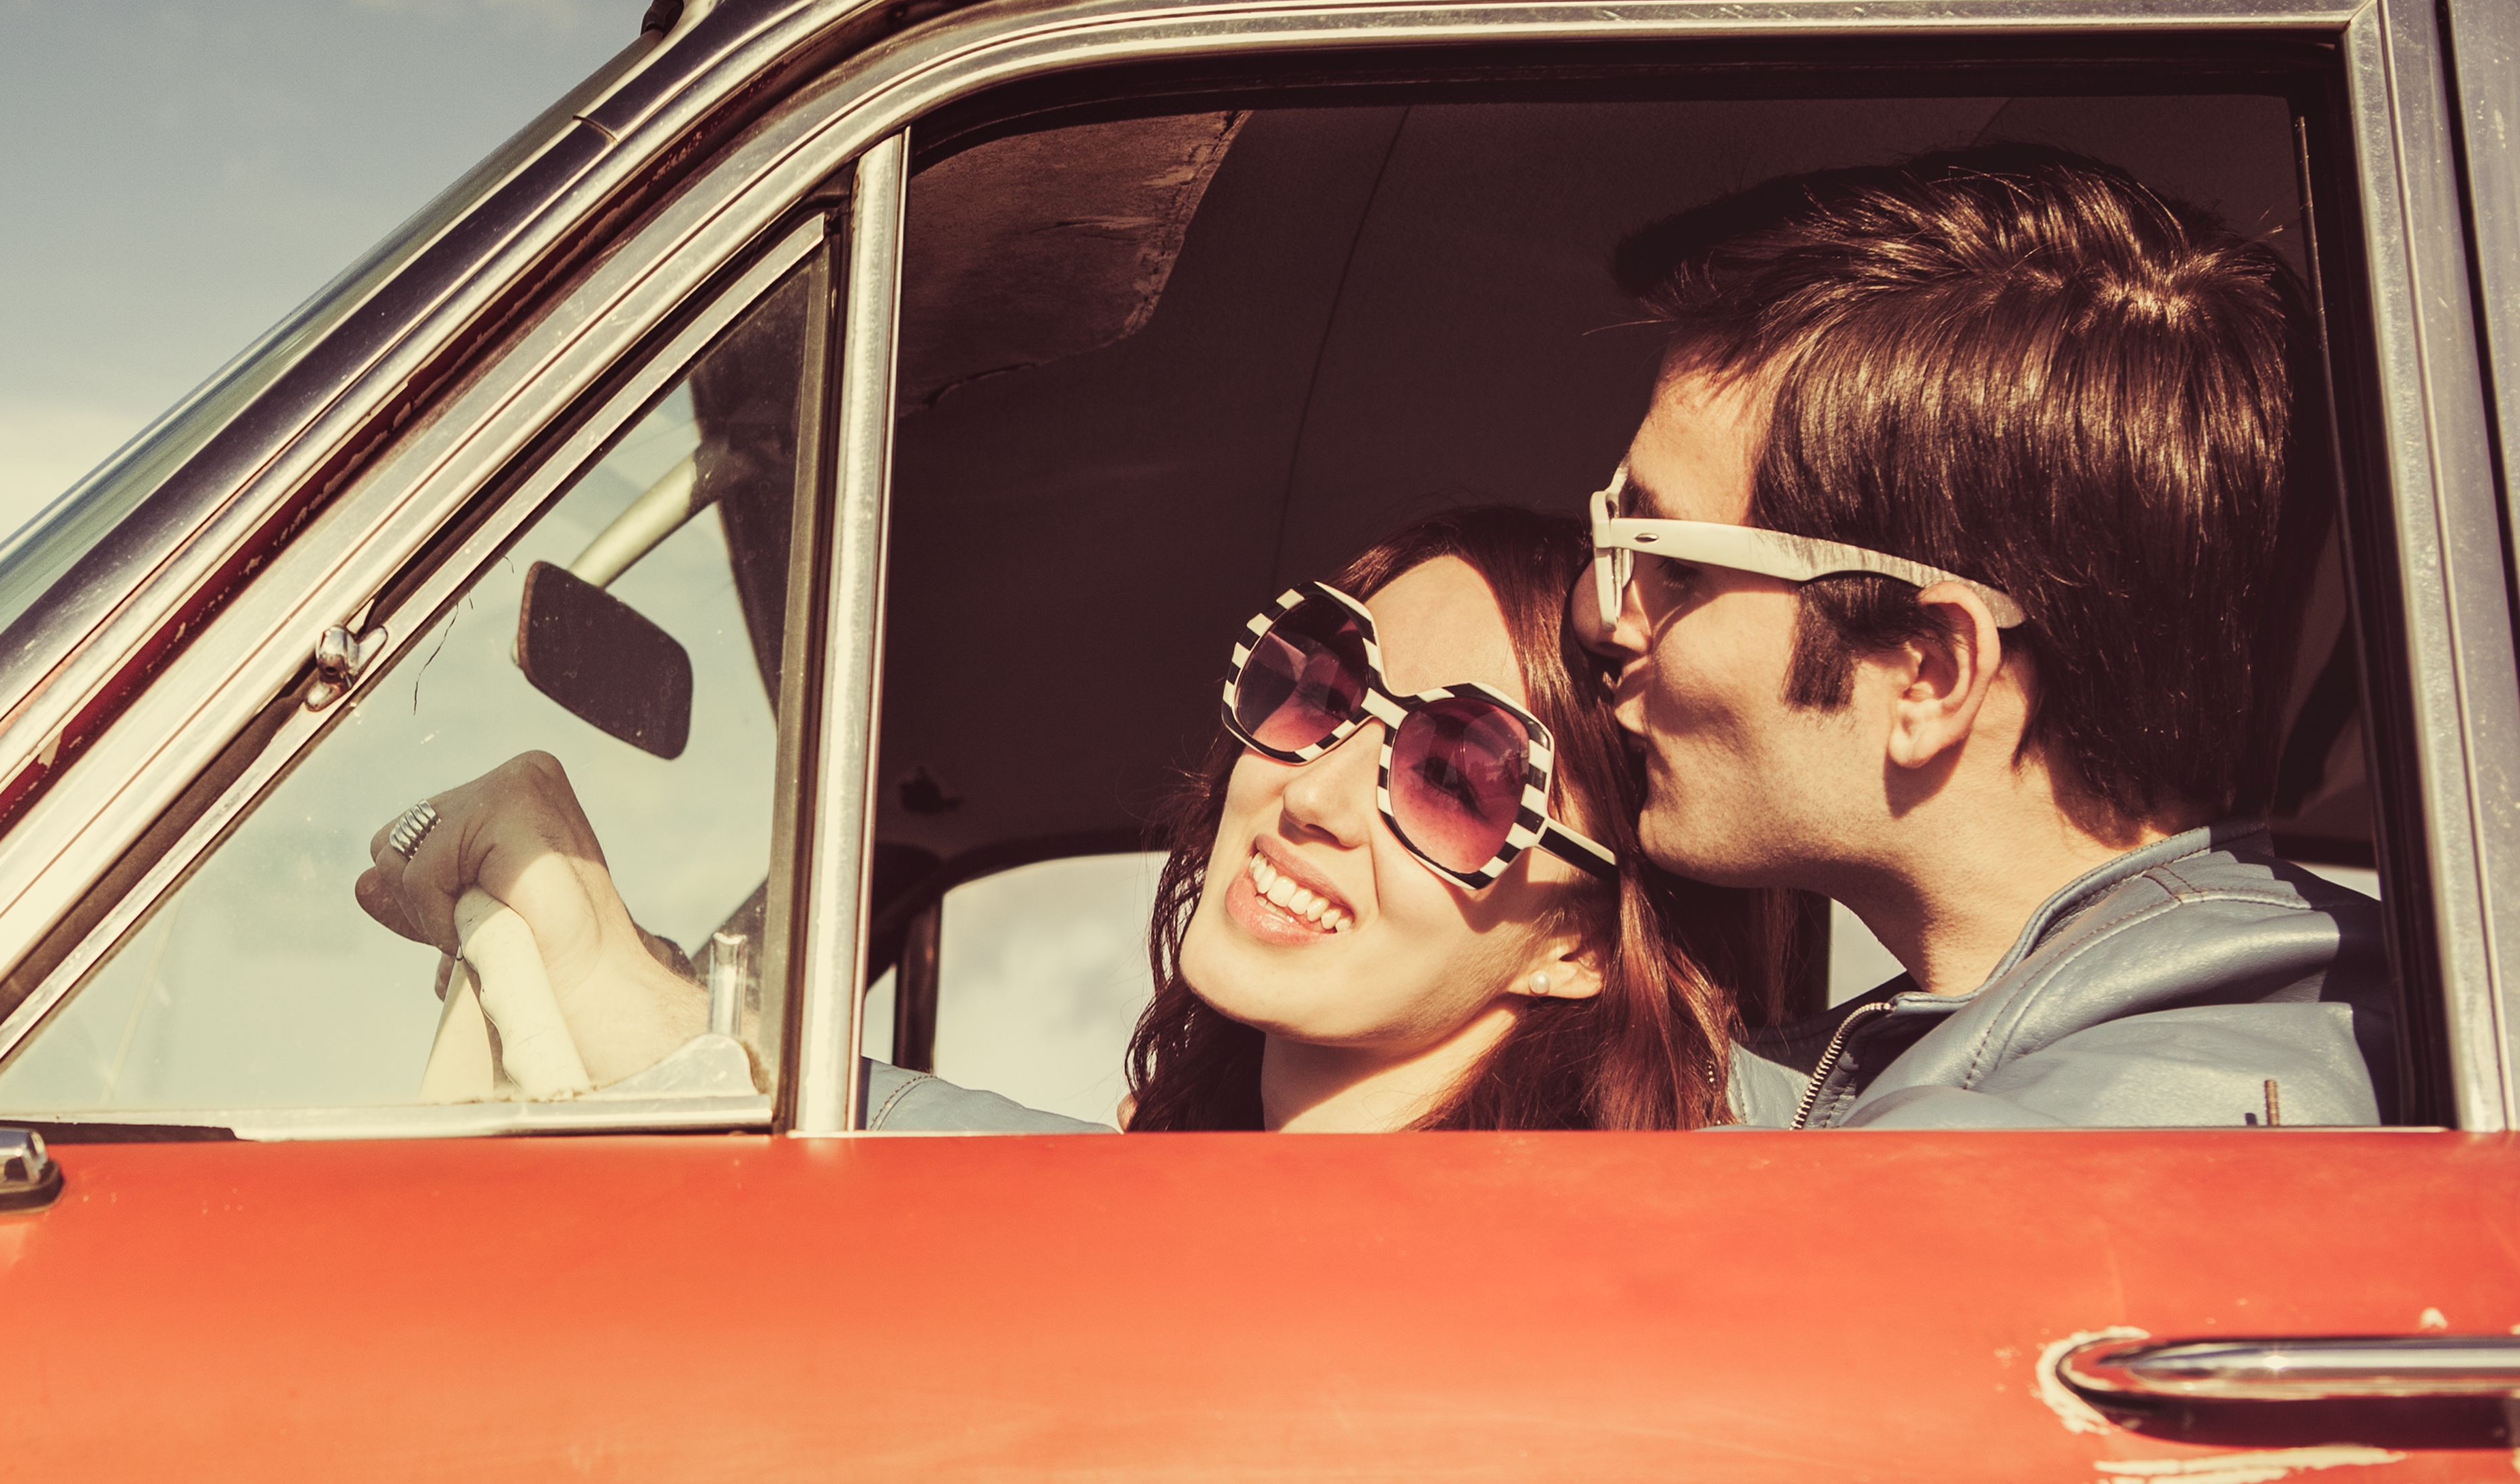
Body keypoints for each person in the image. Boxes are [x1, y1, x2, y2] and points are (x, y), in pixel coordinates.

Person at [357, 506, 1779, 1134]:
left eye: (1456, 777)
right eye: (1323, 686)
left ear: (1575, 945)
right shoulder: (1183, 1202)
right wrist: (570, 920)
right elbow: (910, 1142)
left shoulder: (1523, 1297)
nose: (1313, 791)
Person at [1580, 143, 2393, 1129]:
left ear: (1927, 670)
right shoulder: (2257, 1057)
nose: (1598, 613)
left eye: (1670, 565)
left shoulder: (2038, 1163)